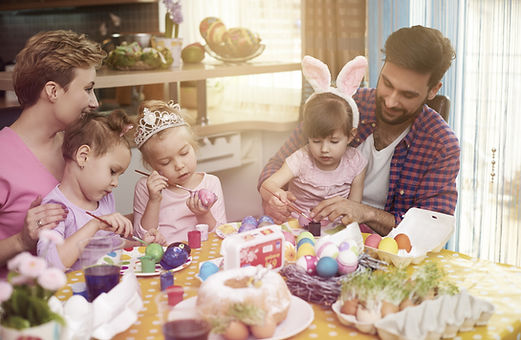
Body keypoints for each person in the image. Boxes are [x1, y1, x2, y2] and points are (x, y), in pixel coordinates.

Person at [258, 25, 460, 236]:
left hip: (383, 250)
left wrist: (365, 213)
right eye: (387, 83)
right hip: (316, 235)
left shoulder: (441, 145)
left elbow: (429, 227)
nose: (390, 102)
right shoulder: (345, 106)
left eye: (407, 95)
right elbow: (276, 164)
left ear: (433, 90)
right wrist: (272, 197)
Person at [0, 30, 106, 272]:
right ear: (53, 91)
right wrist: (21, 240)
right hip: (24, 304)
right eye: (88, 89)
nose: (95, 102)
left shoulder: (78, 146)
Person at [37, 110, 165, 271]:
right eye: (112, 171)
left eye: (119, 175)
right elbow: (51, 263)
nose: (116, 183)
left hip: (106, 284)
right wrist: (95, 224)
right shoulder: (55, 207)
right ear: (83, 156)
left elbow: (110, 245)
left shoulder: (104, 200)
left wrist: (140, 243)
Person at [260, 55, 368, 228]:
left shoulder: (356, 163)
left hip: (336, 233)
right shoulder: (301, 159)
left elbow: (354, 209)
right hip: (297, 229)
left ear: (351, 135)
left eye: (334, 141)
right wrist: (277, 195)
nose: (324, 149)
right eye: (316, 141)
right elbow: (267, 185)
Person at [133, 100, 227, 243]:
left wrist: (204, 214)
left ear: (193, 146)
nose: (179, 165)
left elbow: (221, 235)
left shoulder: (211, 183)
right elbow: (141, 239)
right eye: (165, 162)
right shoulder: (146, 188)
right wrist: (154, 200)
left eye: (183, 153)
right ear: (152, 166)